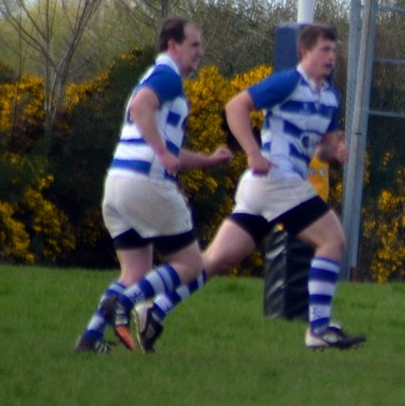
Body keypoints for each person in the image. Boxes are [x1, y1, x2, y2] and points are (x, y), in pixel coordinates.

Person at [132, 23, 365, 351]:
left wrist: (334, 152)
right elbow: (235, 106)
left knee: (215, 260)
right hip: (277, 180)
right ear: (304, 52)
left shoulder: (330, 97)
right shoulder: (288, 82)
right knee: (333, 240)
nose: (331, 57)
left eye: (334, 50)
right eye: (324, 50)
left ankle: (154, 310)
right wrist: (253, 152)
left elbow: (322, 148)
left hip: (265, 189)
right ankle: (319, 328)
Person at [73, 18, 232, 353]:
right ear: (172, 46)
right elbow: (140, 107)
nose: (201, 52)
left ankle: (91, 338)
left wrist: (206, 161)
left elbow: (167, 147)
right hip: (146, 182)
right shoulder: (167, 75)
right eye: (194, 44)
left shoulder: (156, 79)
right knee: (191, 266)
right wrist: (161, 153)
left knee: (134, 272)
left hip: (117, 184)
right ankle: (125, 303)